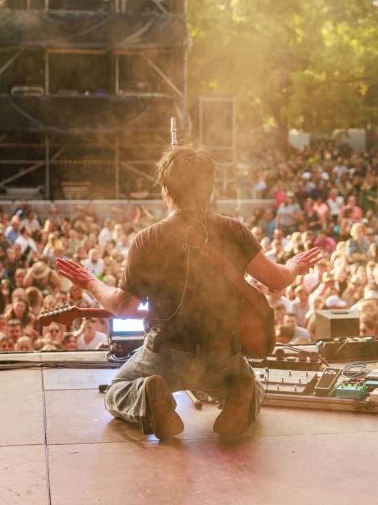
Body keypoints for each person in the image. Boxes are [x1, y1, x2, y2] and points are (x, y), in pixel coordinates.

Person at [56, 145, 320, 440]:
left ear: (166, 190)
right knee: (254, 387)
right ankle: (238, 392)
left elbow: (123, 306)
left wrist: (90, 282)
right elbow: (277, 279)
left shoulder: (147, 240)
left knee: (116, 391)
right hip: (222, 355)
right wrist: (294, 267)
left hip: (166, 354)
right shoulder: (234, 230)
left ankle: (147, 394)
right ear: (209, 190)